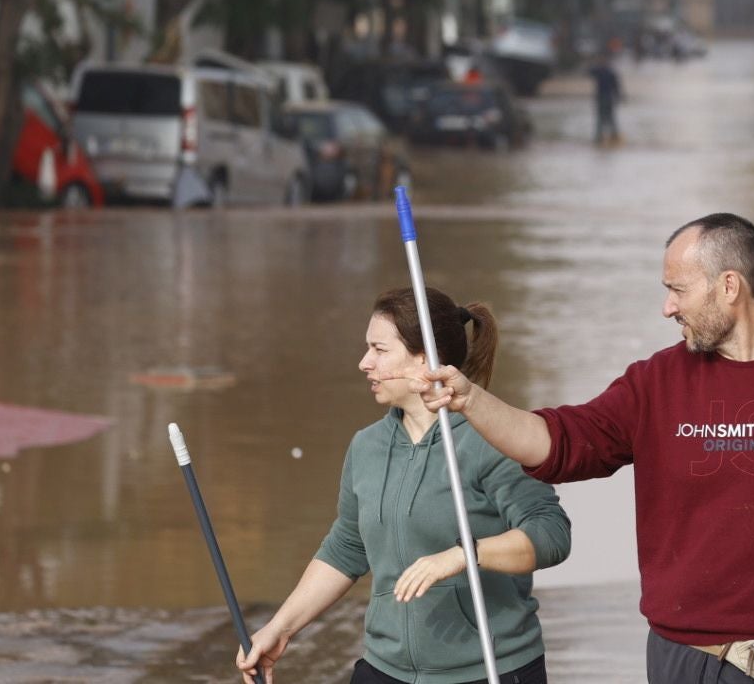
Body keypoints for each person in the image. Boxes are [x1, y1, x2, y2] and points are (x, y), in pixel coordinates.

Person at [415, 214, 754, 684]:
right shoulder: (656, 382)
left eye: (679, 289)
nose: (668, 307)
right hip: (681, 658)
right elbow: (560, 442)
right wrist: (471, 400)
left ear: (729, 286)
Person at [237, 287, 571, 684]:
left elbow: (551, 535)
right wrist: (282, 628)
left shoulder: (492, 438)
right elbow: (347, 548)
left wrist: (464, 555)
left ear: (424, 358)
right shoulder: (367, 447)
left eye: (379, 350)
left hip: (488, 669)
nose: (364, 363)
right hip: (384, 668)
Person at [589, 52, 623, 145]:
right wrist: (619, 97)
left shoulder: (607, 72)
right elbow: (588, 72)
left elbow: (616, 86)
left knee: (609, 118)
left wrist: (618, 97)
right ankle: (601, 136)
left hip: (607, 98)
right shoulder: (600, 71)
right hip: (602, 97)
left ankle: (611, 136)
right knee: (603, 118)